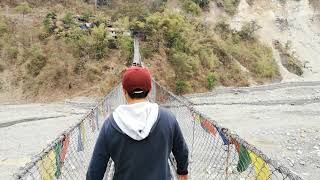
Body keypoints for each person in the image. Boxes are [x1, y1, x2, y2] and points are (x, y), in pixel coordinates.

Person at [86, 66, 189, 180]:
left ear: (123, 91)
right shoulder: (168, 118)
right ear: (150, 90)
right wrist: (182, 171)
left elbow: (95, 170)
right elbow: (182, 151)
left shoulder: (110, 124)